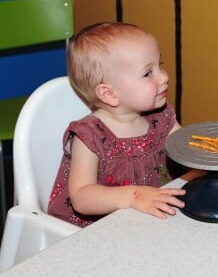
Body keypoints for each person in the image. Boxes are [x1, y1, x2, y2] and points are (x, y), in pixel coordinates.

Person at [48, 22, 186, 227]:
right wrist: (133, 197)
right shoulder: (89, 136)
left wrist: (208, 152)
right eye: (148, 73)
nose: (164, 77)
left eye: (160, 65)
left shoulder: (161, 116)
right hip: (99, 230)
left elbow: (185, 147)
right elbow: (81, 197)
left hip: (154, 219)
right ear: (109, 94)